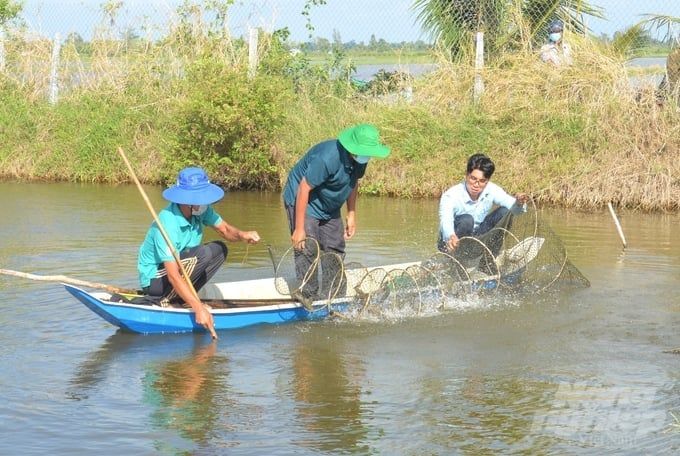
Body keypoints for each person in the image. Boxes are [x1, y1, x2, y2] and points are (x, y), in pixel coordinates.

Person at [137, 167, 260, 333]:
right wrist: (198, 307)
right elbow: (173, 274)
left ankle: (181, 296)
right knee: (203, 253)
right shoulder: (167, 223)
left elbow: (224, 230)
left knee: (219, 249)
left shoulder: (200, 211)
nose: (205, 203)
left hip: (182, 266)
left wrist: (242, 235)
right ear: (188, 201)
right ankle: (166, 298)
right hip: (155, 280)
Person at [282, 124, 390, 304]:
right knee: (307, 246)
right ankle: (307, 294)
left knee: (335, 247)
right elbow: (304, 188)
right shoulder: (327, 158)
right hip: (303, 199)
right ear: (352, 148)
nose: (367, 155)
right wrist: (299, 228)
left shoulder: (360, 160)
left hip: (329, 205)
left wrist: (352, 214)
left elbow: (353, 183)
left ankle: (335, 296)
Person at [438, 153, 529, 255]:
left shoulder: (491, 189)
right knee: (467, 220)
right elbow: (445, 221)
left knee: (504, 212)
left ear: (487, 181)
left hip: (476, 237)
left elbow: (515, 209)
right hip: (450, 242)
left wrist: (519, 203)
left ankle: (487, 261)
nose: (476, 185)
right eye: (473, 179)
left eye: (482, 181)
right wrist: (450, 236)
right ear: (467, 175)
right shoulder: (451, 195)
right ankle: (454, 261)